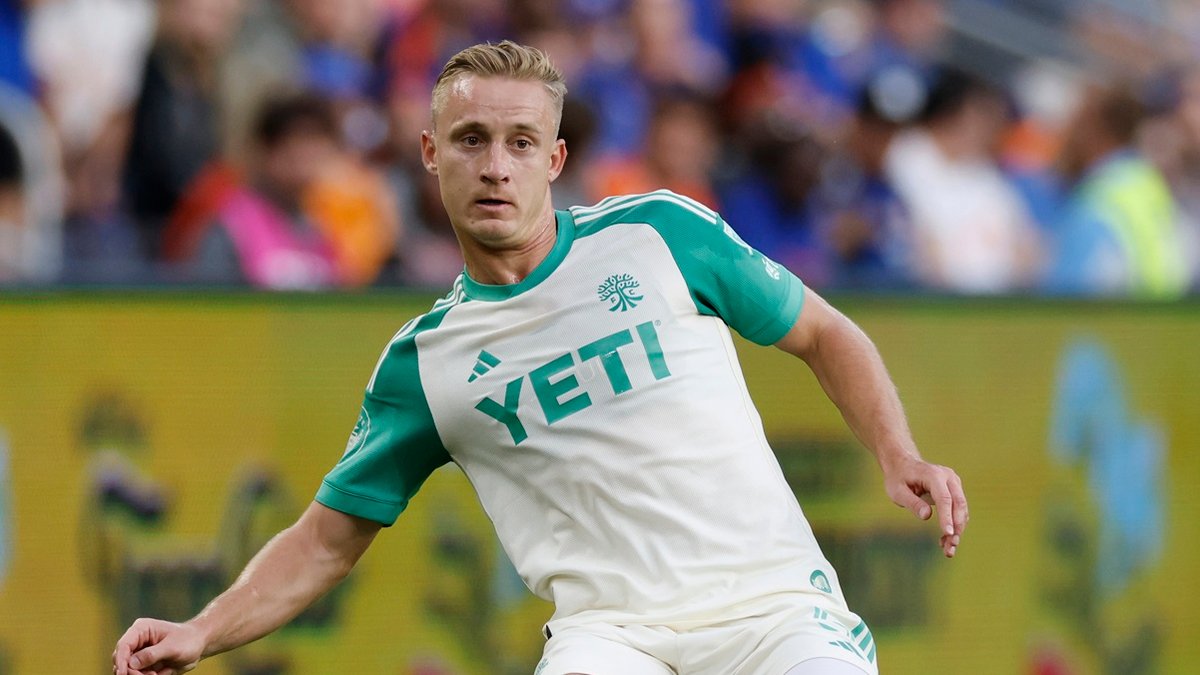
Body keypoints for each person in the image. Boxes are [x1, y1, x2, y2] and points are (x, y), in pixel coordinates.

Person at [113, 41, 968, 675]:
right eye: (471, 139)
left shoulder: (660, 234)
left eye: (521, 142)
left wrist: (899, 450)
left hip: (773, 609)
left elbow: (822, 331)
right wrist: (201, 629)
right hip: (612, 637)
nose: (496, 167)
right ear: (429, 152)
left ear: (554, 159)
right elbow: (325, 540)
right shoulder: (424, 365)